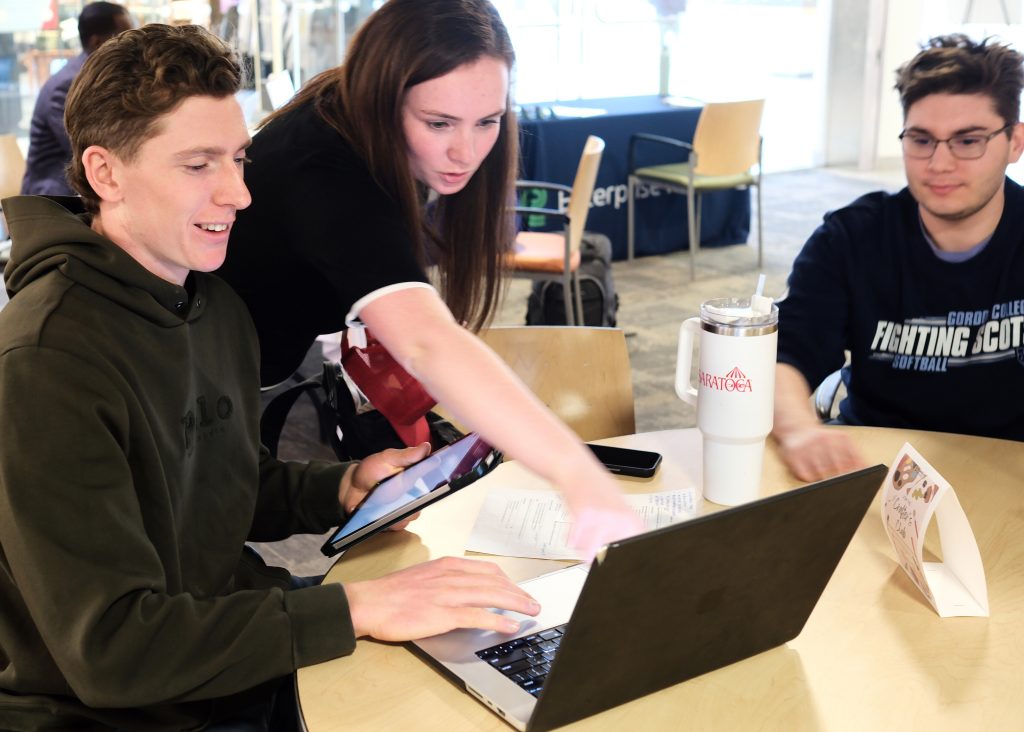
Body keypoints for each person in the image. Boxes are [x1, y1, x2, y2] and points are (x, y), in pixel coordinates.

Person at [0, 24, 540, 731]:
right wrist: (358, 607)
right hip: (121, 711)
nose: (240, 194)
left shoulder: (210, 301)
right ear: (105, 173)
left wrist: (340, 488)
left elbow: (219, 489)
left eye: (239, 158)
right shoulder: (46, 362)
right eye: (198, 165)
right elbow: (113, 649)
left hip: (232, 652)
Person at [217, 0, 643, 555]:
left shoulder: (356, 123)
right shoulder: (324, 166)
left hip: (241, 370)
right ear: (383, 96)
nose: (465, 152)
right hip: (186, 374)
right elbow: (426, 341)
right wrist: (578, 474)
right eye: (438, 123)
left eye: (487, 122)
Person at [772, 34, 1024, 482]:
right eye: (921, 139)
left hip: (1008, 473)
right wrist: (799, 430)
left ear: (1015, 142)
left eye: (968, 141)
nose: (939, 163)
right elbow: (787, 355)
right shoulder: (851, 238)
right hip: (877, 465)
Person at [20, 1, 133, 195]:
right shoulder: (71, 84)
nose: (134, 45)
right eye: (126, 37)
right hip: (53, 199)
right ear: (97, 42)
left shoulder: (99, 76)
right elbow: (85, 147)